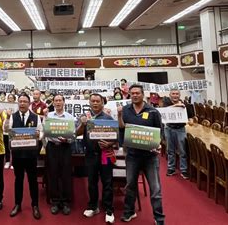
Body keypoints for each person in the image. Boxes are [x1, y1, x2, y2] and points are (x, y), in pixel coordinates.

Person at [117, 85, 164, 224]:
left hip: (150, 156)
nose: (135, 95)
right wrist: (119, 115)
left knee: (155, 189)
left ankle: (159, 218)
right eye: (132, 93)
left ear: (143, 94)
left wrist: (158, 144)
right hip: (132, 155)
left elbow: (159, 132)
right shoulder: (125, 110)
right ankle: (129, 212)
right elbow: (121, 128)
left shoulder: (153, 111)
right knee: (130, 186)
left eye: (137, 93)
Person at [78, 94, 116, 224]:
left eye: (97, 101)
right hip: (90, 155)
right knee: (91, 182)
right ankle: (93, 206)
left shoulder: (108, 118)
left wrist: (109, 144)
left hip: (105, 154)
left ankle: (109, 210)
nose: (95, 103)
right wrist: (83, 125)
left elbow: (116, 138)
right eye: (92, 101)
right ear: (89, 102)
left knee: (107, 182)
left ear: (102, 103)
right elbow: (76, 133)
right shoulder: (84, 117)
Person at [4, 93, 42, 220]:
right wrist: (8, 118)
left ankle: (35, 205)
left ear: (29, 103)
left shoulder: (36, 117)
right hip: (18, 155)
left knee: (32, 180)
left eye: (25, 101)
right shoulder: (13, 117)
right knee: (18, 180)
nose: (22, 104)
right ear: (18, 103)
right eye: (20, 101)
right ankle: (17, 204)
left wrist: (39, 135)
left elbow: (41, 132)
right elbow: (7, 131)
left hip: (31, 154)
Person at [44, 94, 73, 215]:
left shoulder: (69, 117)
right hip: (52, 147)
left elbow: (73, 135)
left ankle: (66, 202)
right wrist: (44, 117)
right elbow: (44, 131)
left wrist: (68, 140)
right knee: (53, 174)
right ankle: (55, 201)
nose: (58, 102)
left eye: (60, 100)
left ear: (64, 102)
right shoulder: (48, 115)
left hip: (65, 147)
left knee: (66, 175)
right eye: (56, 101)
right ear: (53, 103)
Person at [162, 89, 192, 179]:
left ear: (179, 95)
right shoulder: (166, 102)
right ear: (170, 95)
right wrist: (178, 105)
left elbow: (190, 117)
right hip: (169, 128)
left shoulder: (185, 104)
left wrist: (190, 120)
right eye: (173, 94)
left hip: (180, 129)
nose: (175, 95)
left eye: (177, 94)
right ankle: (171, 168)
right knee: (170, 150)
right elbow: (165, 110)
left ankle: (184, 170)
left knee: (182, 150)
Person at [4, 93, 16, 169]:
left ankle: (14, 162)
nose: (10, 99)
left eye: (12, 98)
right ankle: (7, 161)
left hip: (13, 130)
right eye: (9, 98)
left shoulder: (17, 108)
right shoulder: (4, 108)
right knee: (6, 147)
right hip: (5, 131)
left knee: (13, 146)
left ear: (14, 99)